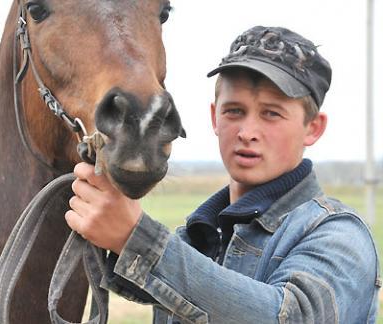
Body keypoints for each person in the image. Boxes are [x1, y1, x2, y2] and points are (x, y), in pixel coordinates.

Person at [65, 26, 380, 323]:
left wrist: (137, 238)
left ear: (313, 128)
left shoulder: (339, 235)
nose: (247, 132)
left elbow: (289, 317)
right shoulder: (197, 239)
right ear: (214, 117)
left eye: (271, 114)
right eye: (234, 111)